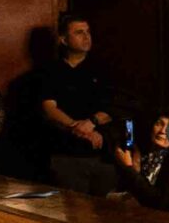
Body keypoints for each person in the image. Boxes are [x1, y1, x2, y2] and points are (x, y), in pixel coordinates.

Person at [36, 15, 122, 182]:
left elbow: (114, 105)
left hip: (102, 152)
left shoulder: (104, 68)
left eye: (88, 32)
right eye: (79, 32)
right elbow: (49, 107)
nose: (86, 36)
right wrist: (78, 128)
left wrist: (92, 122)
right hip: (65, 152)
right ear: (63, 40)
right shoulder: (51, 71)